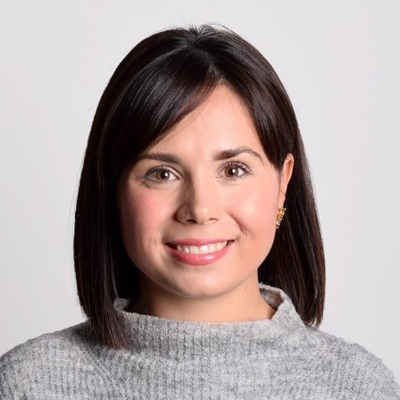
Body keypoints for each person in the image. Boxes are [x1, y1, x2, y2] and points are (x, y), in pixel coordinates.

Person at [0, 25, 399, 399]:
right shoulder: (30, 386)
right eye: (162, 173)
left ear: (282, 184)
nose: (200, 209)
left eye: (234, 170)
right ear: (111, 190)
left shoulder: (358, 389)